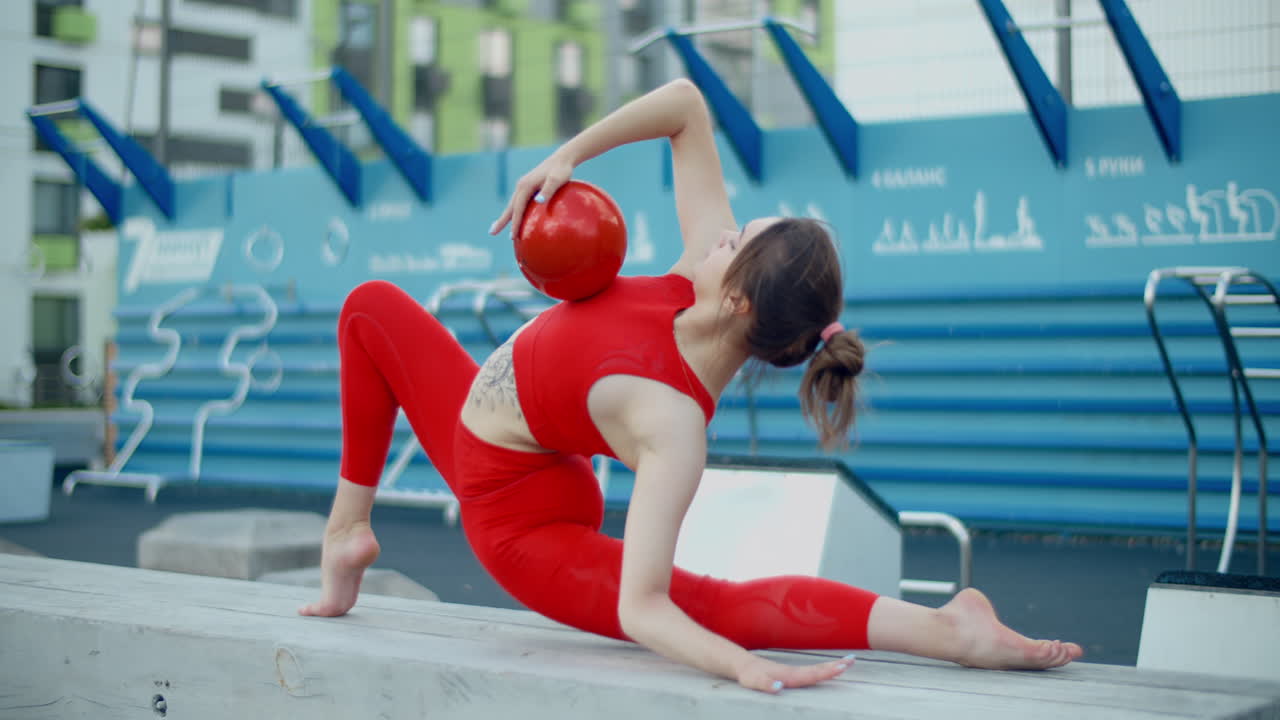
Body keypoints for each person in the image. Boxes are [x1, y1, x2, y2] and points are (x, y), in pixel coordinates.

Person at [299, 78, 1084, 693]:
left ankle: (950, 631)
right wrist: (569, 155)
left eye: (738, 239)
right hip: (517, 448)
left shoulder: (672, 423)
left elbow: (646, 608)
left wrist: (737, 666)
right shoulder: (690, 280)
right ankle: (348, 531)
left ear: (740, 299)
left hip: (515, 528)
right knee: (370, 307)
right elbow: (685, 106)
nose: (723, 231)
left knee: (712, 607)